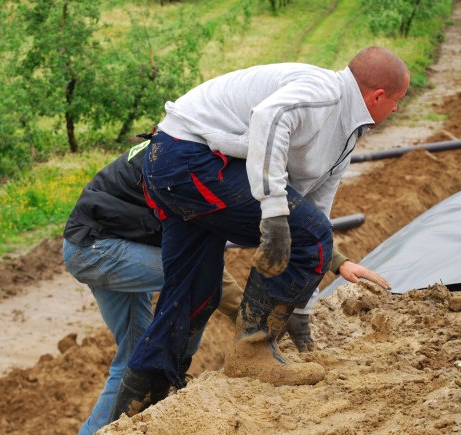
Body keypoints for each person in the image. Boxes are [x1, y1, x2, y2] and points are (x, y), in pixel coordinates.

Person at [111, 46, 405, 420]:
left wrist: (300, 305)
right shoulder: (323, 92)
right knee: (309, 236)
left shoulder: (345, 131)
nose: (396, 109)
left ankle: (134, 414)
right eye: (396, 101)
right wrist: (273, 211)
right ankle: (253, 350)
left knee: (194, 293)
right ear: (378, 96)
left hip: (180, 167)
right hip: (189, 158)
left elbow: (314, 210)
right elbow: (268, 117)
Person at [62, 142, 245, 434]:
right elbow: (199, 268)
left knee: (135, 355)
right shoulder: (187, 163)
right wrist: (250, 322)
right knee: (196, 278)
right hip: (96, 248)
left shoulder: (174, 145)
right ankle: (171, 376)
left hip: (96, 243)